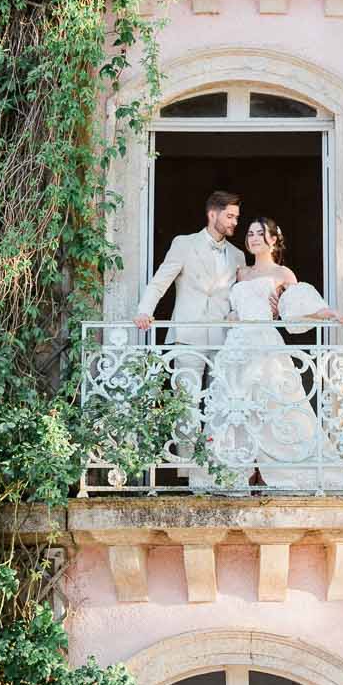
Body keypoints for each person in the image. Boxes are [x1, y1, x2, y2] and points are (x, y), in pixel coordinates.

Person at [205, 217, 343, 491]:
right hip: (236, 346)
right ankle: (242, 470)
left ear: (273, 240)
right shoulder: (241, 273)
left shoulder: (282, 273)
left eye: (260, 234)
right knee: (236, 406)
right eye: (250, 233)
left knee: (271, 404)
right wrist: (231, 316)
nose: (253, 238)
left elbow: (300, 304)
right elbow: (234, 308)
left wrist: (334, 314)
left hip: (265, 342)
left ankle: (273, 470)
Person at [134, 189, 245, 478]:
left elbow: (240, 296)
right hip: (187, 334)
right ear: (213, 214)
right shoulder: (184, 244)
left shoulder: (238, 255)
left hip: (223, 338)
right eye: (230, 216)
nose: (235, 222)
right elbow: (160, 282)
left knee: (223, 403)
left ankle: (220, 468)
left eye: (236, 217)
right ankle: (189, 472)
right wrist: (144, 310)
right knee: (186, 404)